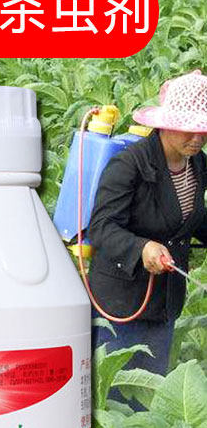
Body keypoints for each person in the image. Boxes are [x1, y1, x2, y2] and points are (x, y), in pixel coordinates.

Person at [88, 70, 207, 379]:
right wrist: (142, 248)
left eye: (203, 130)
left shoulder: (197, 162)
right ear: (165, 124)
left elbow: (190, 219)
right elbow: (101, 227)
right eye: (189, 129)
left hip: (164, 303)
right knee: (117, 392)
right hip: (123, 305)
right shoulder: (129, 165)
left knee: (150, 391)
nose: (197, 138)